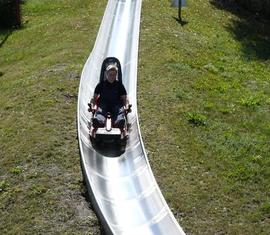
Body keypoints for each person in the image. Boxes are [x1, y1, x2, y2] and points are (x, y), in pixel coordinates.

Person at [90, 63, 128, 129]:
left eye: (114, 75)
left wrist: (126, 106)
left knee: (119, 112)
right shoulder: (100, 85)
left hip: (116, 104)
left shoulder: (119, 85)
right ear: (106, 74)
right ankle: (98, 122)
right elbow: (94, 98)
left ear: (116, 75)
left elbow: (125, 98)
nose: (112, 77)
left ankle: (119, 122)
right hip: (104, 104)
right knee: (100, 112)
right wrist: (93, 106)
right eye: (110, 75)